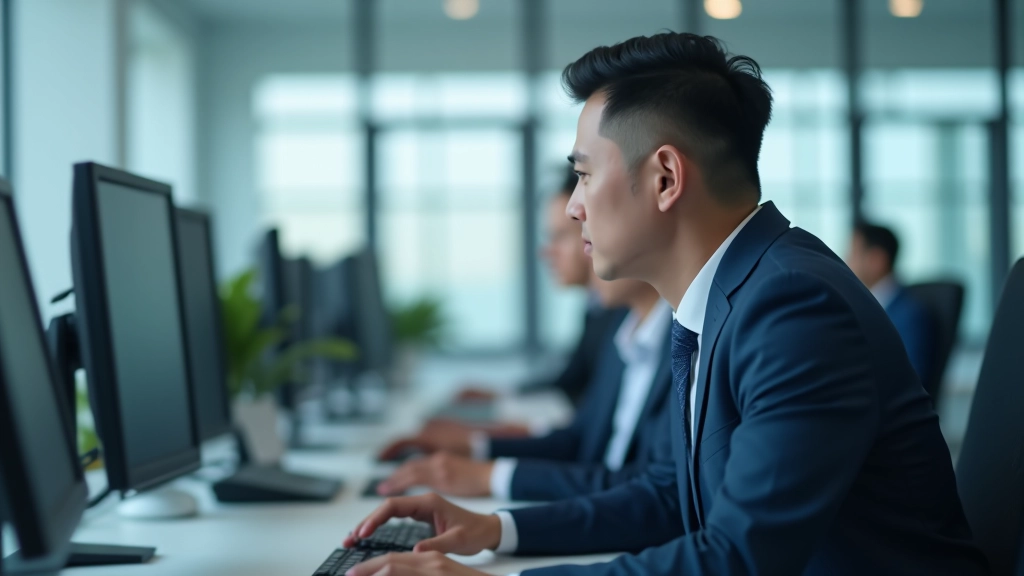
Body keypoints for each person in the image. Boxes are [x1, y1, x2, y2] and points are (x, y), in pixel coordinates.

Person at [343, 32, 987, 576]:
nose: (574, 206)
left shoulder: (793, 305)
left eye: (584, 174)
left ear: (665, 178)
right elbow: (670, 494)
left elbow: (739, 557)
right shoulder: (729, 296)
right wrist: (495, 530)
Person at [380, 173, 627, 459]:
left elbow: (582, 418)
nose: (546, 252)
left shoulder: (619, 314)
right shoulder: (599, 309)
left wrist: (483, 436)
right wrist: (498, 405)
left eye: (559, 236)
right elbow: (572, 387)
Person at [375, 276, 673, 502]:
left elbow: (651, 492)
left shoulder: (675, 342)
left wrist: (490, 478)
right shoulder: (624, 329)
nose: (547, 250)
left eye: (561, 236)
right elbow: (582, 438)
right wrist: (477, 447)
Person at [846, 221, 933, 382]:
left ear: (877, 260)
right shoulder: (863, 308)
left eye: (853, 254)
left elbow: (909, 380)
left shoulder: (909, 315)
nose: (847, 262)